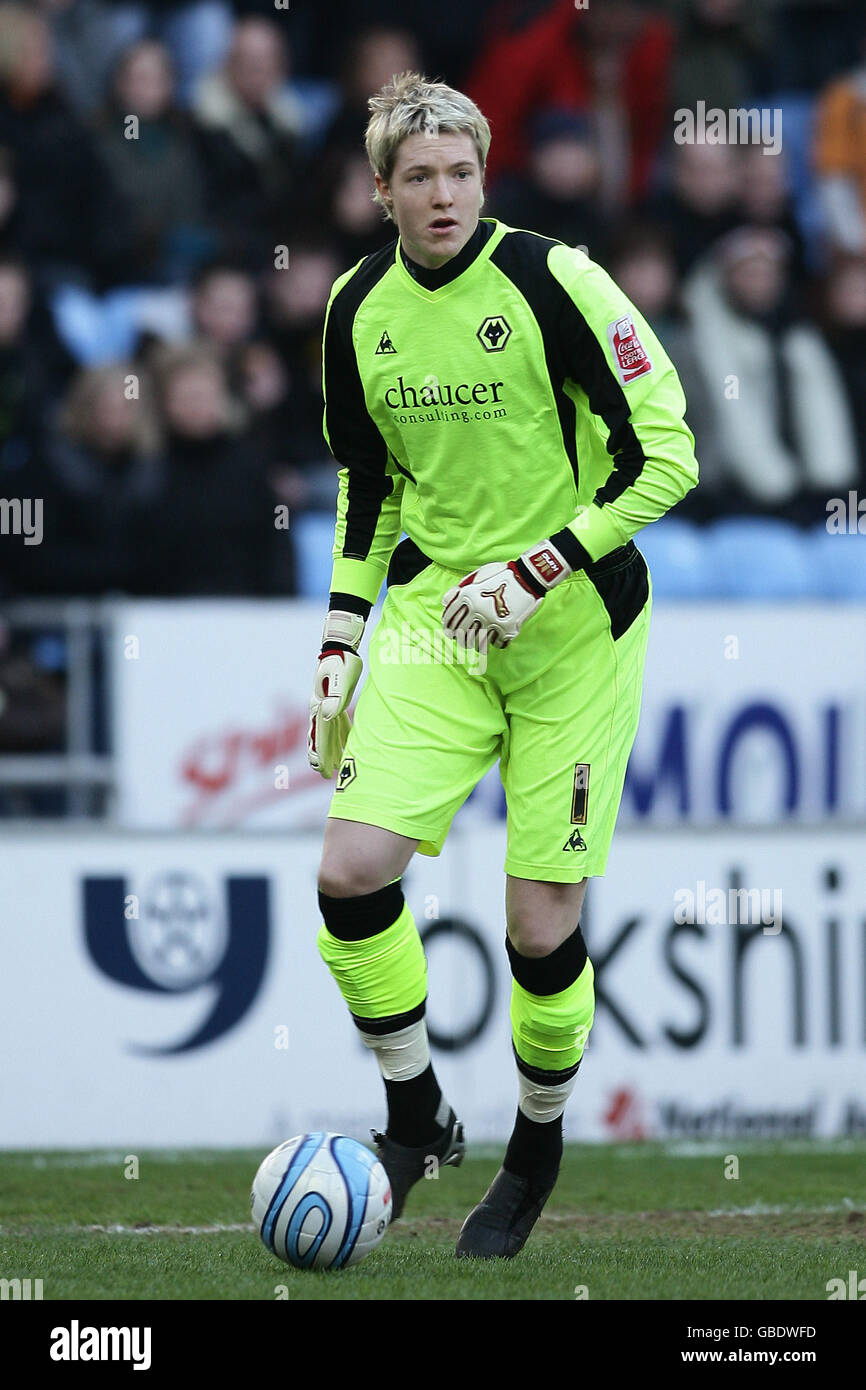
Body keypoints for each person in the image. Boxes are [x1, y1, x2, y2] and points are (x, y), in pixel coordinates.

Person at [307, 72, 698, 1260]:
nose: (442, 195)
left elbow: (668, 454)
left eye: (460, 172)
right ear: (379, 192)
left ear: (485, 174)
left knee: (538, 926)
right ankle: (417, 1117)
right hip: (438, 619)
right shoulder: (355, 309)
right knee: (348, 872)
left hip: (571, 622)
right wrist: (340, 628)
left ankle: (534, 1140)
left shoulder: (549, 279)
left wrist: (535, 567)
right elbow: (366, 485)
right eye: (416, 177)